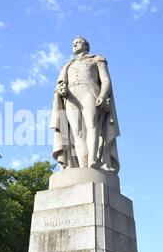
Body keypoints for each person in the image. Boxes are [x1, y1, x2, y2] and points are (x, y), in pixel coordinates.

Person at [50, 36, 120, 172]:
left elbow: (106, 81)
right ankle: (83, 167)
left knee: (92, 125)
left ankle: (93, 160)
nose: (75, 45)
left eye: (78, 42)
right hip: (70, 95)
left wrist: (102, 95)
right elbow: (60, 84)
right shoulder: (67, 65)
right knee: (77, 132)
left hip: (89, 91)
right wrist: (61, 89)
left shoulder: (97, 59)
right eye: (73, 43)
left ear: (86, 45)